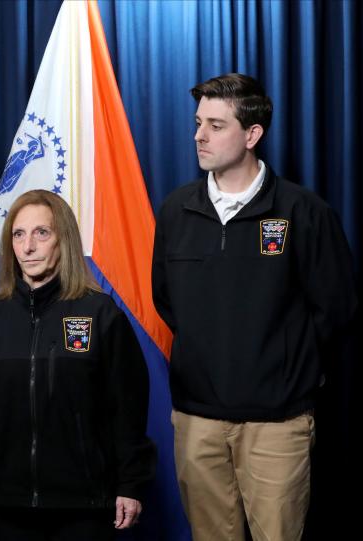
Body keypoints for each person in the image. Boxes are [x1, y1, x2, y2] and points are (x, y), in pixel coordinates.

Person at [151, 73, 358, 541]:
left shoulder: (303, 213)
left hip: (277, 425)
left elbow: (337, 310)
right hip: (196, 423)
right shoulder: (175, 210)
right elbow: (166, 300)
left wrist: (281, 368)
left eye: (216, 125)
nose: (199, 135)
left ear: (252, 135)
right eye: (198, 122)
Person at [0, 190, 155, 541]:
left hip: (85, 507)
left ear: (64, 240)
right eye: (18, 234)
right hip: (9, 506)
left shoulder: (100, 314)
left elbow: (128, 409)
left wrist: (131, 484)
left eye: (41, 233)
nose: (28, 246)